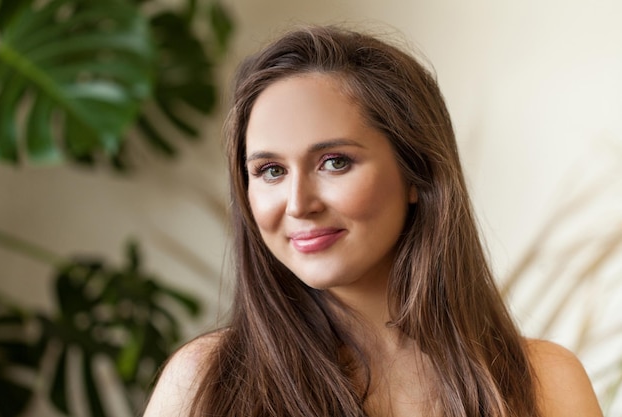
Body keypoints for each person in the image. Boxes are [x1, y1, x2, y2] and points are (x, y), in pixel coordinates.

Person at [143, 25, 603, 417]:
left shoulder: (547, 382)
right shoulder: (205, 383)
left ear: (416, 173)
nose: (298, 203)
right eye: (271, 171)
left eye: (335, 162)